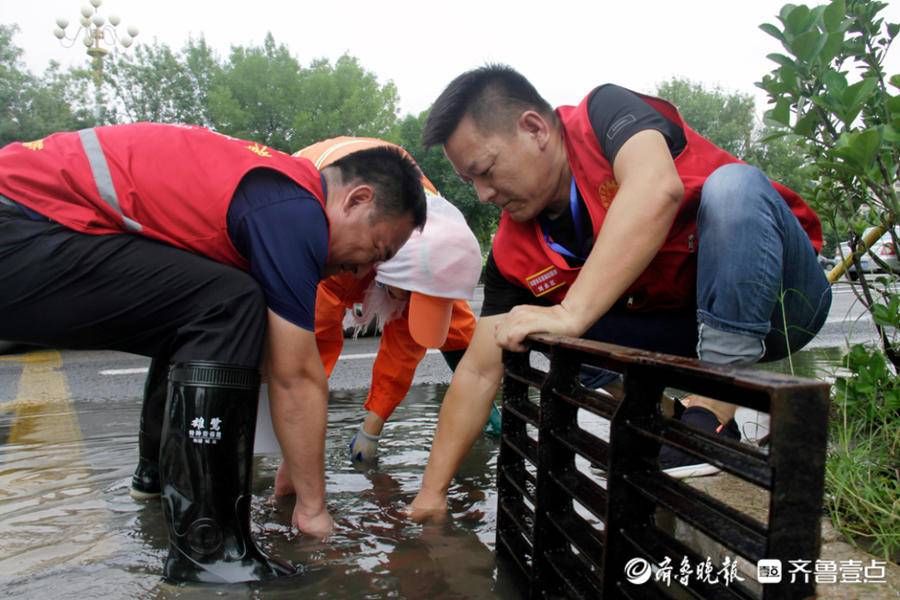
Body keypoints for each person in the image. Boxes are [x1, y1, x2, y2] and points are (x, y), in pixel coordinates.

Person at [0, 122, 426, 583]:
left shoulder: (272, 188)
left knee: (208, 305)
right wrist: (313, 508)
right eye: (376, 248)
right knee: (229, 304)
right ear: (356, 199)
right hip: (20, 228)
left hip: (32, 227)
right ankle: (209, 552)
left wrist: (297, 467)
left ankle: (157, 481)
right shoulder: (294, 211)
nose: (362, 268)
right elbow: (295, 375)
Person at [409, 65, 831, 518]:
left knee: (734, 186)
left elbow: (658, 189)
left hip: (782, 299)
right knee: (528, 325)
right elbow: (476, 373)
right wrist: (431, 494)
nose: (483, 194)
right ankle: (678, 421)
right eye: (470, 183)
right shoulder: (513, 250)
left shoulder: (604, 116)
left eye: (486, 171)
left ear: (534, 129)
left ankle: (712, 408)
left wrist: (572, 310)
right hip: (683, 327)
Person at [294, 137, 484, 465]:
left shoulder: (439, 240)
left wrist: (372, 428)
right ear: (382, 261)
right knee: (303, 341)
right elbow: (310, 347)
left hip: (407, 245)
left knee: (457, 327)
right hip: (317, 210)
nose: (410, 304)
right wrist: (297, 425)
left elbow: (405, 349)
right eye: (408, 295)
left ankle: (485, 409)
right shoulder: (342, 248)